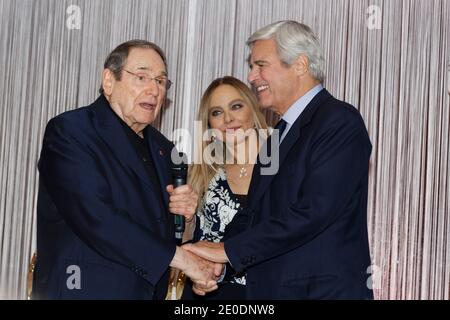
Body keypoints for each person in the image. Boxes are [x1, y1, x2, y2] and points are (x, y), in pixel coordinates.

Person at [184, 21, 374, 299]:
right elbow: (254, 216)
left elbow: (313, 211)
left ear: (299, 65)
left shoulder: (339, 121)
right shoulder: (278, 136)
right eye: (251, 67)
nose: (251, 76)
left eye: (260, 65)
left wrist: (226, 252)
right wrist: (217, 269)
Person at [33, 40, 221, 299]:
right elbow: (96, 217)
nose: (154, 90)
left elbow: (168, 235)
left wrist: (186, 221)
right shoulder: (72, 131)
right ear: (109, 81)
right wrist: (186, 262)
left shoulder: (165, 150)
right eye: (142, 77)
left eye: (160, 81)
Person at [166, 76, 268, 299]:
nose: (228, 119)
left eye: (236, 106)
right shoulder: (201, 175)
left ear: (253, 109)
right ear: (209, 124)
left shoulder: (281, 170)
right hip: (210, 295)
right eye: (217, 112)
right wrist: (189, 218)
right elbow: (184, 244)